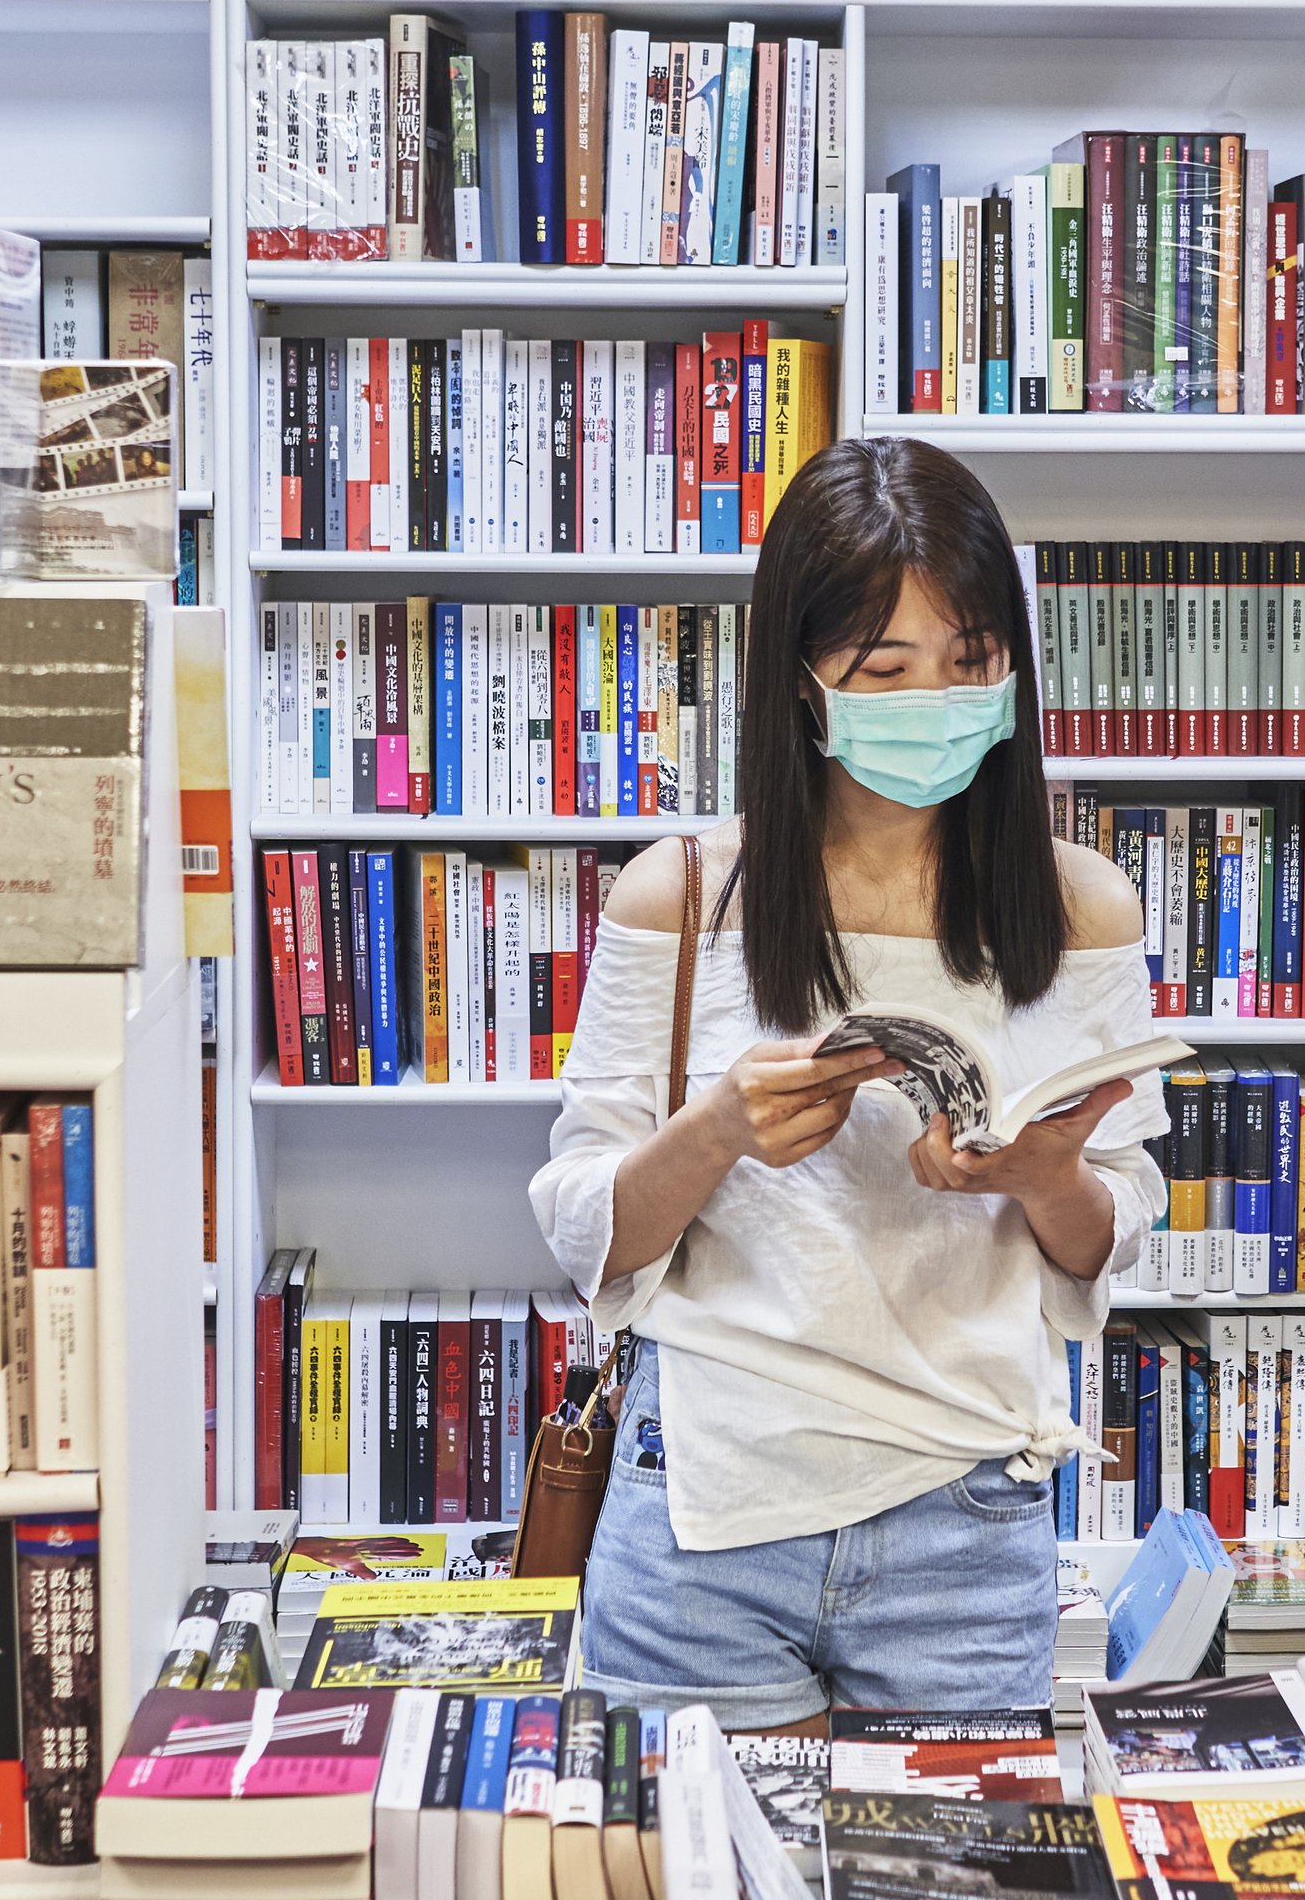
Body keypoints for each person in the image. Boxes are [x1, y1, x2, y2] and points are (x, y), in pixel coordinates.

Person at [528, 435, 1168, 1728]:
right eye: (886, 668)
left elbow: (1112, 1234)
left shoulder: (1081, 906)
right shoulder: (686, 895)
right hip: (707, 1500)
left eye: (971, 661)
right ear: (803, 679)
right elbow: (583, 1228)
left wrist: (1046, 1179)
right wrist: (717, 1131)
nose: (936, 696)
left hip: (966, 1515)